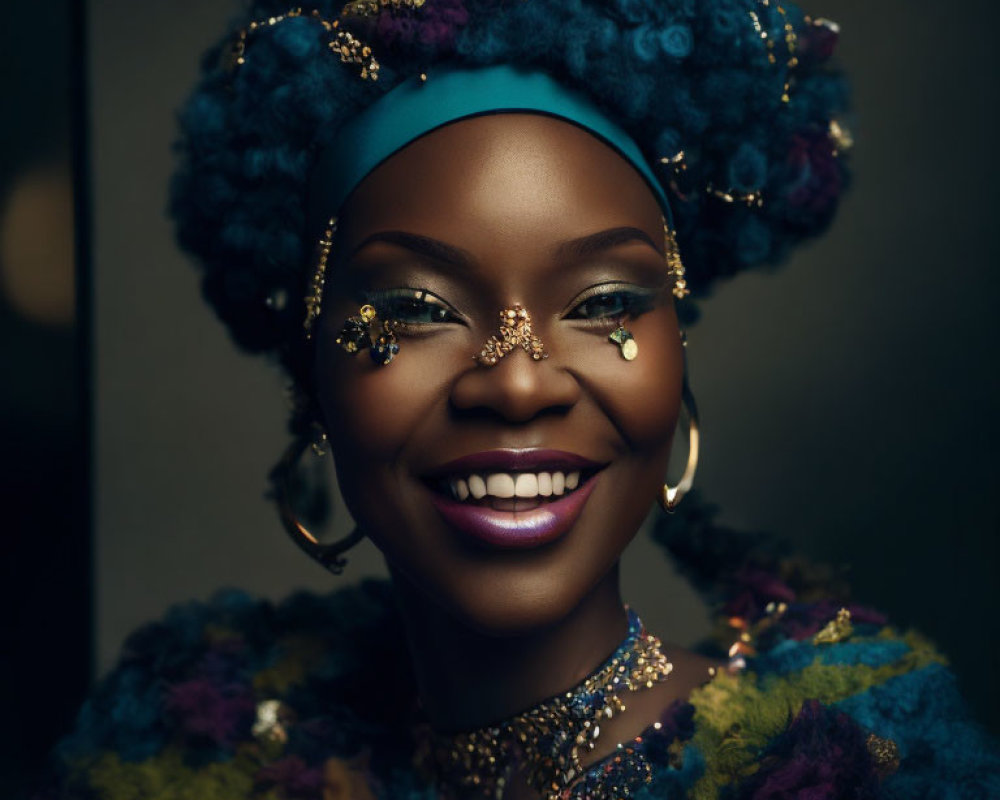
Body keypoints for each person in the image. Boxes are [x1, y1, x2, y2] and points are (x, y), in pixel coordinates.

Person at [40, 1, 999, 798]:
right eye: (416, 309)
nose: (518, 378)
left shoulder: (846, 771)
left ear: (678, 352)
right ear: (312, 380)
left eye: (607, 302)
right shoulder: (200, 759)